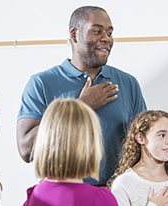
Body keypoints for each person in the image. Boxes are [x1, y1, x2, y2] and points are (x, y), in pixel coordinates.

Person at [16, 5, 146, 186]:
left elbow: (143, 147)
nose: (106, 39)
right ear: (74, 34)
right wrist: (80, 107)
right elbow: (26, 150)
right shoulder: (41, 84)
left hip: (116, 200)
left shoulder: (128, 84)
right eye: (97, 31)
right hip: (62, 201)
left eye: (109, 33)